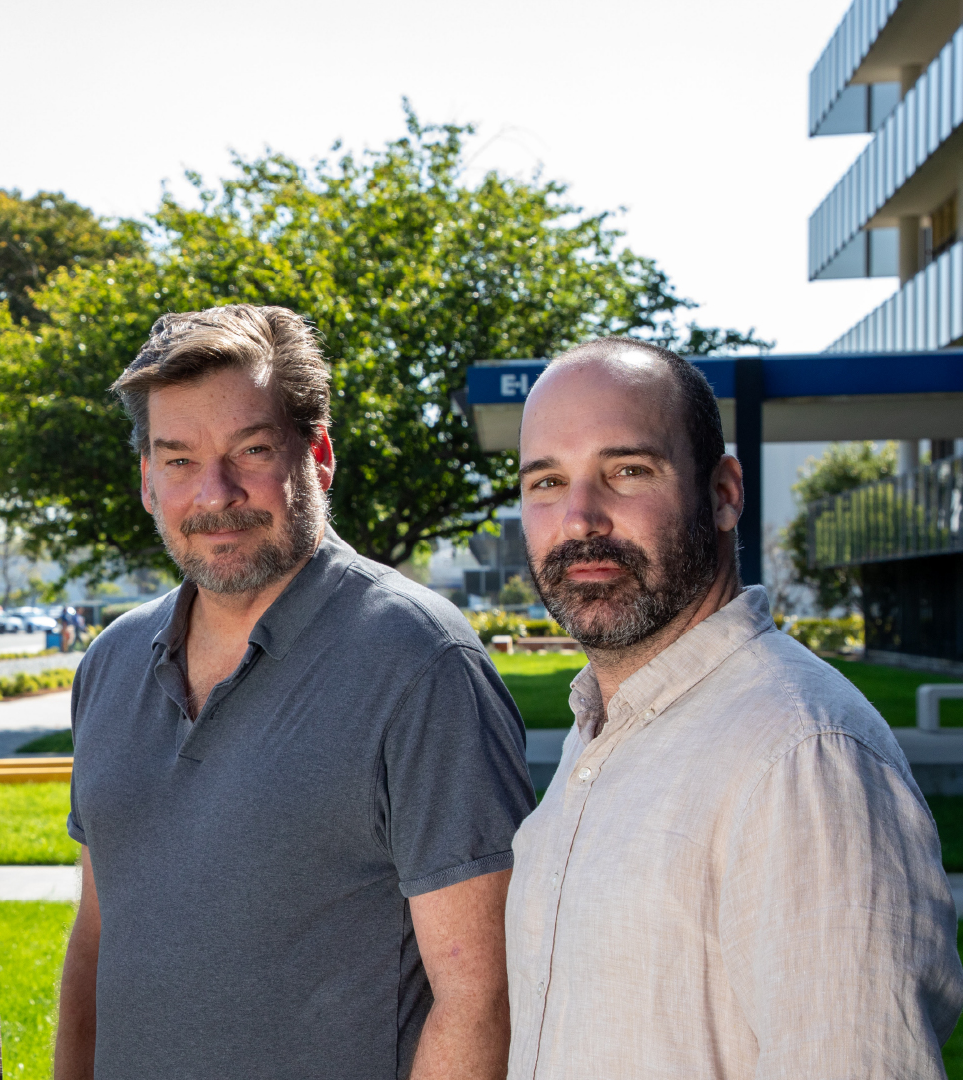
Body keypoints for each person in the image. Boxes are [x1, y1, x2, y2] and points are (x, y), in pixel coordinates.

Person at [55, 305, 534, 1080]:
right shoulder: (108, 666)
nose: (215, 493)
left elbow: (484, 997)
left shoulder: (420, 664)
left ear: (319, 457)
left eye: (251, 450)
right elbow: (98, 938)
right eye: (178, 459)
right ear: (146, 480)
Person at [505, 338, 963, 1077]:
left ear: (723, 492)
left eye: (627, 470)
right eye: (547, 482)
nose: (580, 517)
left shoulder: (803, 756)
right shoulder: (597, 739)